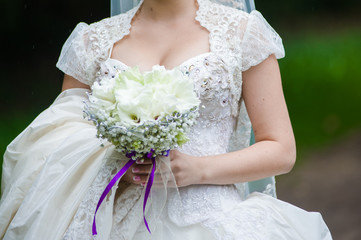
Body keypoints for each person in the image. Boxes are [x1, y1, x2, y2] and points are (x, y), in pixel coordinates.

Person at [0, 0, 332, 239]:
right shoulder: (93, 42)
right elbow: (61, 140)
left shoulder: (241, 32)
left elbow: (281, 149)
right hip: (113, 217)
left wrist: (197, 170)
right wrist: (119, 166)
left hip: (211, 216)